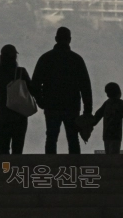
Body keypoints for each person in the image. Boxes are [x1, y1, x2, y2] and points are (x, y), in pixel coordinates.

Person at [29, 26, 92, 154]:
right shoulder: (76, 60)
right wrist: (87, 111)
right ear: (69, 40)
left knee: (51, 138)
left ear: (56, 39)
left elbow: (35, 84)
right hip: (72, 106)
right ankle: (75, 169)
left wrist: (41, 101)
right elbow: (85, 86)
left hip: (51, 106)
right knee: (73, 139)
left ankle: (50, 168)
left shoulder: (45, 58)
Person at [0, 44, 31, 154]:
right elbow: (31, 90)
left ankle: (4, 170)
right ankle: (15, 170)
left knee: (2, 147)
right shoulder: (21, 72)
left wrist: (1, 104)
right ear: (15, 57)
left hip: (3, 115)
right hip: (20, 115)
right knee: (18, 147)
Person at [90, 82, 123, 154]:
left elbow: (97, 116)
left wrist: (88, 124)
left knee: (108, 154)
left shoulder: (107, 103)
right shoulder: (120, 103)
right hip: (116, 135)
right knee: (114, 155)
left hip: (106, 134)